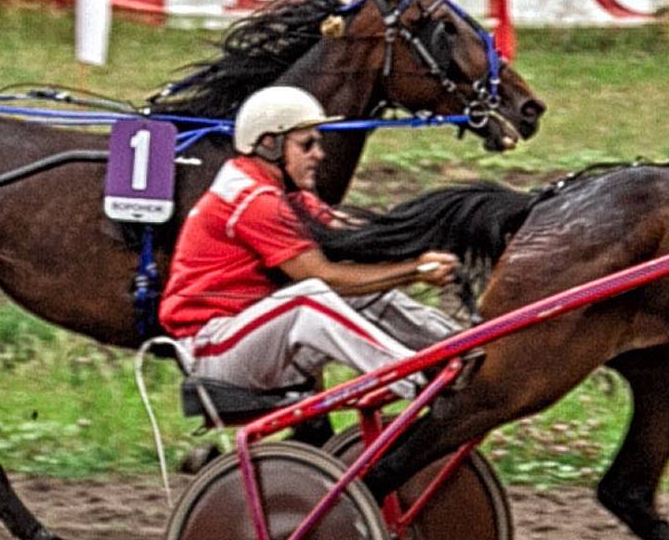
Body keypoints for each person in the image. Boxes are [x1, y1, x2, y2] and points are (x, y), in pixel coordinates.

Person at [157, 85, 462, 409]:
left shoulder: (285, 193)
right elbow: (322, 275)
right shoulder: (255, 201)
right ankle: (416, 378)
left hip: (249, 340)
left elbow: (354, 233)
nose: (320, 153)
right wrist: (415, 271)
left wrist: (429, 241)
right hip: (214, 352)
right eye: (307, 144)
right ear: (269, 144)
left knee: (368, 293)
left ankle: (459, 348)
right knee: (310, 298)